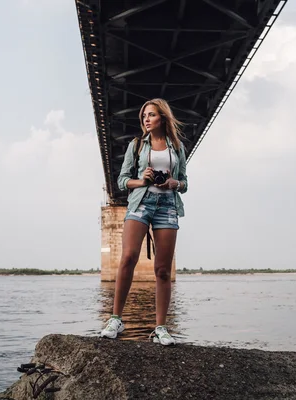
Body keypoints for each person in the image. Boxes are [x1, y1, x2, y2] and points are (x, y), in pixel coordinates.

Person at [100, 98, 188, 346]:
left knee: (162, 269)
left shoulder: (177, 147)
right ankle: (116, 319)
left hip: (168, 207)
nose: (146, 120)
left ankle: (161, 327)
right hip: (141, 204)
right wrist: (143, 180)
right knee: (128, 257)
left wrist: (174, 183)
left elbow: (185, 183)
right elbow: (122, 181)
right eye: (143, 116)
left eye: (151, 115)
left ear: (163, 117)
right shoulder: (137, 145)